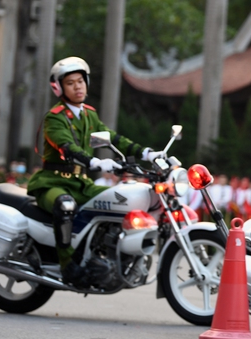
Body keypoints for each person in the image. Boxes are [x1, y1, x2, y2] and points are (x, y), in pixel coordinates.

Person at [26, 57, 165, 287]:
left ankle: (104, 253)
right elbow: (66, 147)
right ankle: (68, 265)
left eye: (81, 81)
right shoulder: (55, 117)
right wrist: (94, 162)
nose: (78, 87)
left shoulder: (89, 115)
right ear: (59, 88)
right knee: (65, 205)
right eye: (70, 83)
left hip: (81, 183)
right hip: (52, 183)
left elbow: (114, 138)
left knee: (117, 201)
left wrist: (148, 153)